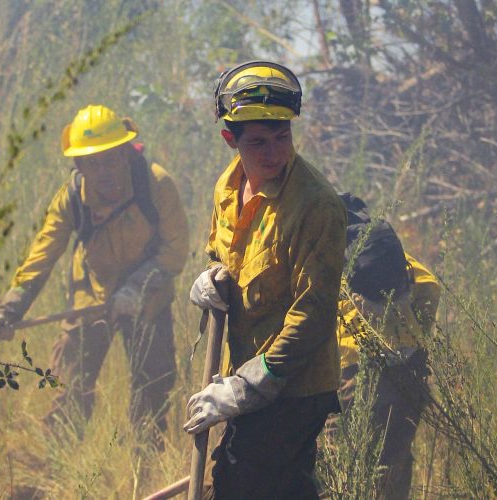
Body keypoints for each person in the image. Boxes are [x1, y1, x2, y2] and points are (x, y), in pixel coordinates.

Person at [185, 61, 347, 499]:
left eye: (283, 137)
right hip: (243, 370)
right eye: (257, 142)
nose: (274, 153)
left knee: (238, 483)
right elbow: (220, 253)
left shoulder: (316, 207)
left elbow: (313, 314)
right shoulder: (228, 186)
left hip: (295, 386)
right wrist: (211, 278)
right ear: (230, 140)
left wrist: (250, 384)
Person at [0, 104, 188, 441]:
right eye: (93, 164)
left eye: (110, 160)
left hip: (150, 299)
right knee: (70, 391)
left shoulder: (155, 185)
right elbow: (42, 253)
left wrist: (136, 288)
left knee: (151, 394)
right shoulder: (72, 198)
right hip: (91, 297)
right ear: (79, 165)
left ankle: (145, 474)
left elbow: (175, 252)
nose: (104, 172)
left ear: (126, 154)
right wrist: (10, 308)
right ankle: (54, 473)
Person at [334, 192, 440, 500]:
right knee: (341, 468)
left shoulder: (418, 279)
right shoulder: (331, 266)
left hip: (404, 374)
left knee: (390, 472)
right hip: (351, 374)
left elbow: (424, 316)